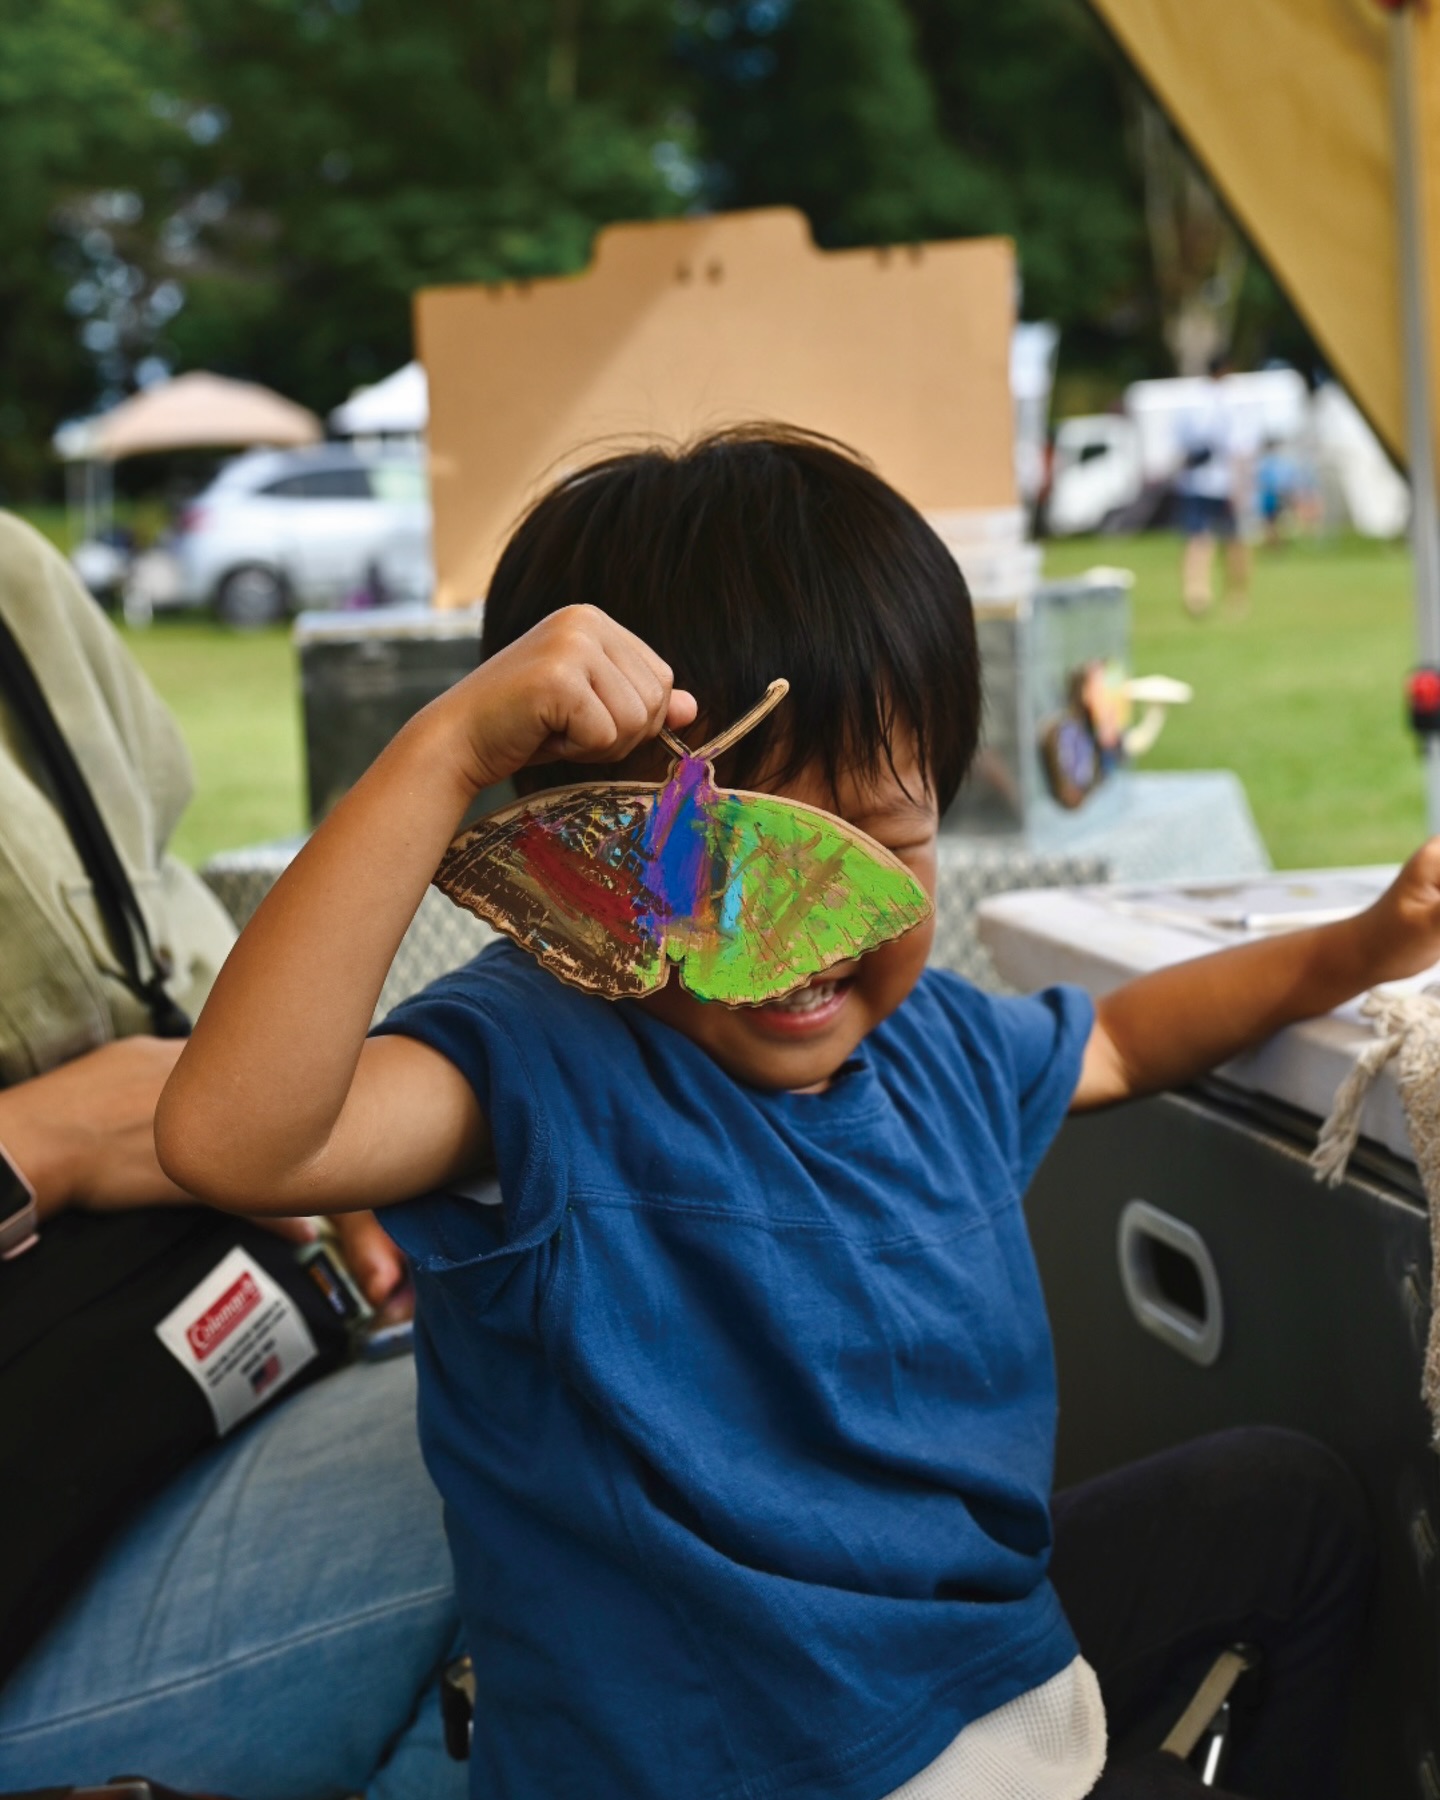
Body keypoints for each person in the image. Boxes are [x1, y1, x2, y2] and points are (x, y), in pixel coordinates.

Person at [155, 428, 1399, 1799]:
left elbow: (1111, 1037)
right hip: (735, 1765)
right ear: (587, 852)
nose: (810, 928)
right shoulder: (532, 1070)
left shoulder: (928, 1041)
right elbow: (236, 1137)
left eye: (883, 835)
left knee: (1290, 1510)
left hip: (970, 1677)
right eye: (731, 857)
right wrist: (443, 751)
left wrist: (1344, 953)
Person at [0, 512, 466, 1800]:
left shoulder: (17, 580)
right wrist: (51, 1139)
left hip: (184, 1389)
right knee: (573, 1489)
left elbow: (166, 948)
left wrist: (308, 1161)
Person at [1174, 356, 1253, 616]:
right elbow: (1240, 448)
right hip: (1224, 480)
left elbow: (1181, 444)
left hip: (1197, 480)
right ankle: (1236, 597)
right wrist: (1242, 486)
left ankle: (1197, 593)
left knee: (1199, 539)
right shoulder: (1234, 399)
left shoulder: (1191, 399)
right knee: (1233, 541)